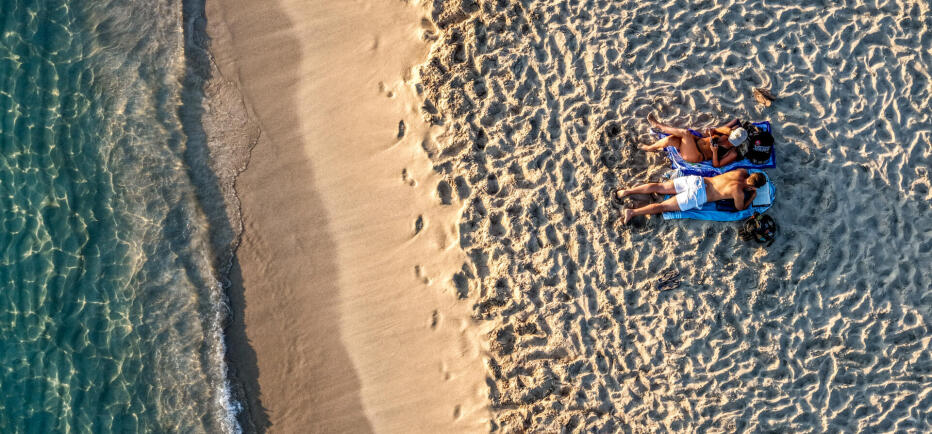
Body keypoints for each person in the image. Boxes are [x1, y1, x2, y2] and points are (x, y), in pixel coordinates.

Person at [616, 169, 766, 224]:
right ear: (752, 187)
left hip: (696, 181)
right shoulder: (738, 192)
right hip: (698, 196)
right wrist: (751, 197)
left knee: (659, 187)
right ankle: (633, 212)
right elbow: (739, 208)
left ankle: (626, 192)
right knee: (664, 207)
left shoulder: (741, 172)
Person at [638, 113, 748, 168]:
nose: (730, 139)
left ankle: (658, 125)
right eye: (731, 135)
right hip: (697, 141)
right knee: (671, 139)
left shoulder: (732, 153)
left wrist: (714, 152)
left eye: (733, 140)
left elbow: (717, 165)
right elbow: (712, 132)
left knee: (685, 133)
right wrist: (711, 131)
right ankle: (649, 148)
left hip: (696, 155)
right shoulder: (726, 134)